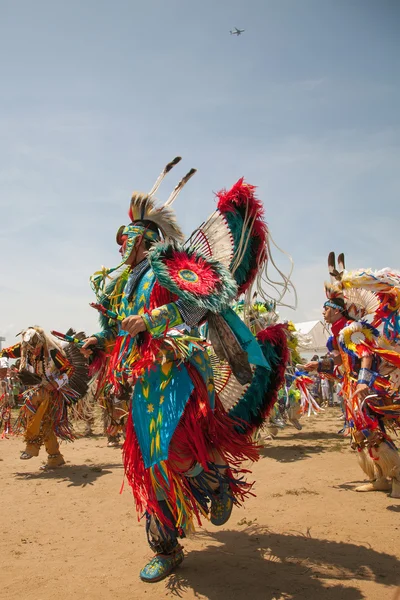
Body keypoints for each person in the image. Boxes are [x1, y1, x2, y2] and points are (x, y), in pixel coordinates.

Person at [82, 160, 290, 582]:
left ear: (146, 239)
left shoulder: (170, 266)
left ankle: (216, 484)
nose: (122, 246)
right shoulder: (120, 285)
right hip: (140, 383)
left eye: (129, 238)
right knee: (148, 465)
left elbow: (204, 302)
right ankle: (166, 546)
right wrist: (98, 343)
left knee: (177, 449)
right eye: (121, 240)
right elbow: (117, 332)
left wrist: (155, 318)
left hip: (177, 371)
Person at [304, 252, 400, 497]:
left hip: (364, 387)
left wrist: (364, 382)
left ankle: (397, 477)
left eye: (327, 308)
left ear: (338, 311)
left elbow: (367, 354)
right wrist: (320, 367)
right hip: (352, 387)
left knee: (372, 431)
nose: (323, 312)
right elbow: (342, 368)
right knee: (361, 433)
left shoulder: (351, 330)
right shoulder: (336, 338)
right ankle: (380, 477)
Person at [0, 327, 89, 468]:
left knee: (36, 407)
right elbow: (4, 352)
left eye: (36, 348)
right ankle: (54, 457)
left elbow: (69, 369)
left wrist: (55, 383)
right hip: (39, 388)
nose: (33, 351)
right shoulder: (23, 348)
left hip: (54, 390)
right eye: (30, 349)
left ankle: (32, 446)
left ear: (41, 343)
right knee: (44, 421)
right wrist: (3, 366)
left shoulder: (53, 352)